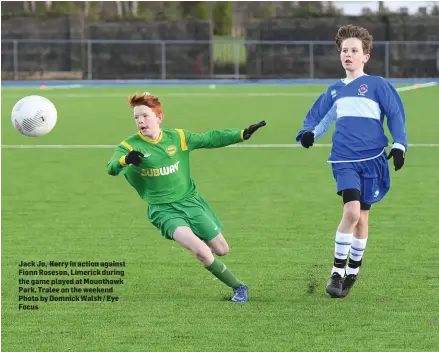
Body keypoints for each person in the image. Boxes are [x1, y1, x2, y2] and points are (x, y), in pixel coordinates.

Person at [107, 92, 266, 303]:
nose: (140, 121)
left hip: (190, 202)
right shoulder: (129, 146)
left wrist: (242, 134)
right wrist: (125, 160)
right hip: (162, 210)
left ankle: (202, 248)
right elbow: (111, 168)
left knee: (222, 250)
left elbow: (209, 138)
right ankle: (239, 287)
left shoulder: (178, 138)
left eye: (145, 115)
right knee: (201, 251)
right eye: (136, 117)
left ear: (159, 117)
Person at [295, 25, 408, 298]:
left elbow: (395, 115)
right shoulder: (335, 91)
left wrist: (399, 144)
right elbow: (317, 119)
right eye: (344, 50)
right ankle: (336, 271)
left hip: (373, 159)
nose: (348, 54)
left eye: (354, 50)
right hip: (344, 160)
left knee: (363, 218)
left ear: (365, 56)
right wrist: (306, 135)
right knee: (352, 212)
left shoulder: (378, 85)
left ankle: (353, 270)